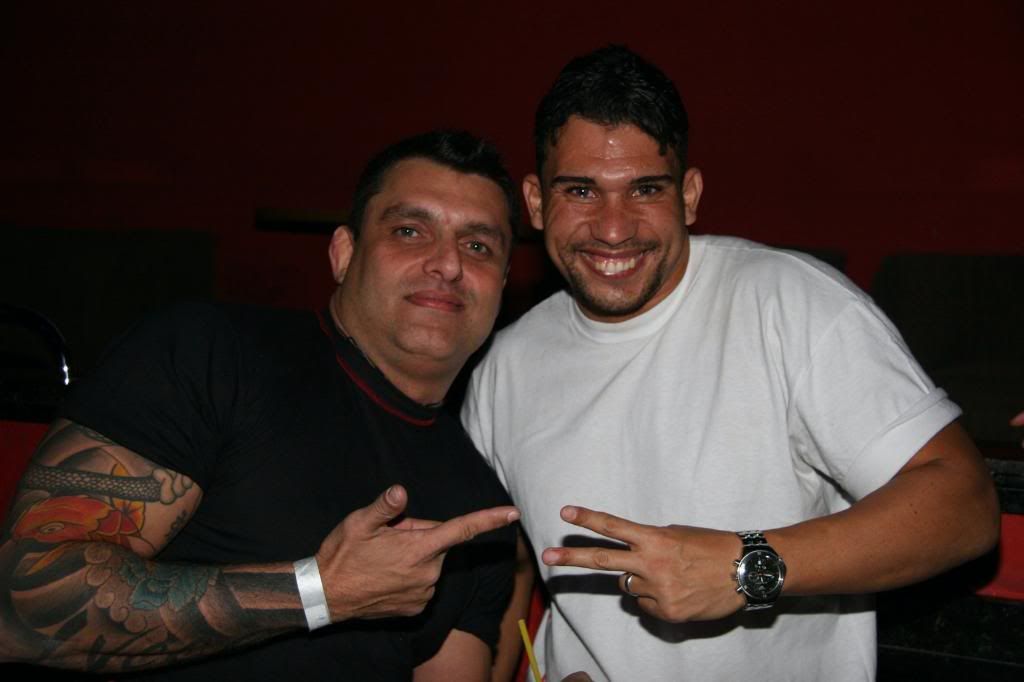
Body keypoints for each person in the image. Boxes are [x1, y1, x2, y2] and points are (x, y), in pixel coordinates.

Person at [461, 46, 1001, 681]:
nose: (612, 228)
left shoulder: (789, 303)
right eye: (581, 191)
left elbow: (965, 506)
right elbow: (498, 582)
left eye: (645, 189)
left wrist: (747, 567)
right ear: (534, 202)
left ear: (689, 196)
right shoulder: (504, 366)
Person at [0, 130, 526, 681]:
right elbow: (19, 607)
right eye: (409, 231)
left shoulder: (481, 506)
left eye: (478, 246)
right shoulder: (210, 355)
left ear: (502, 284)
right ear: (344, 254)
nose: (447, 263)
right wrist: (319, 591)